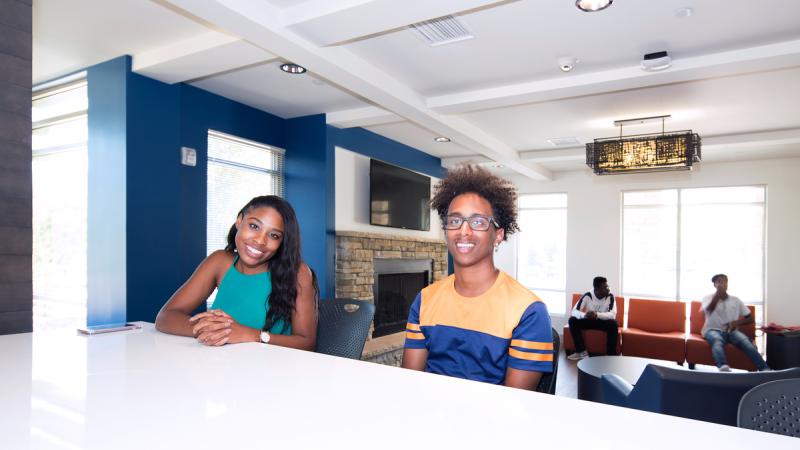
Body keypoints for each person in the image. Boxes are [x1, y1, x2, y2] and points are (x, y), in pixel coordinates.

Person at [401, 164, 553, 390]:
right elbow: (409, 383)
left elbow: (516, 405)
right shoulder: (425, 299)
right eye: (455, 221)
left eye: (478, 222)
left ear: (498, 235)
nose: (464, 231)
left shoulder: (527, 310)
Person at [155, 195, 318, 350]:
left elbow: (306, 342)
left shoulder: (298, 272)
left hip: (270, 369)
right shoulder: (219, 261)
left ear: (282, 242)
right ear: (239, 221)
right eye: (254, 226)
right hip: (221, 364)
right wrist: (213, 330)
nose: (260, 241)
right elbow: (165, 317)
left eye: (274, 235)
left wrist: (252, 335)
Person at [701, 274, 769, 372]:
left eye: (724, 281)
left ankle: (764, 369)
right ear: (714, 285)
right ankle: (723, 367)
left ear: (727, 284)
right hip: (712, 330)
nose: (722, 283)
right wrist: (717, 296)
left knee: (746, 342)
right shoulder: (707, 298)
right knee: (717, 340)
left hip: (731, 331)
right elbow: (708, 310)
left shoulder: (735, 300)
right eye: (719, 281)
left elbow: (750, 318)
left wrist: (737, 323)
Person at [566, 276, 618, 360]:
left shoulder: (610, 296)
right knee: (572, 320)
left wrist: (597, 314)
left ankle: (610, 355)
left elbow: (613, 314)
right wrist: (584, 315)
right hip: (589, 320)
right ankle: (581, 351)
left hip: (602, 321)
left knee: (613, 324)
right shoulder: (588, 295)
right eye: (605, 287)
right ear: (597, 289)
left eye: (607, 286)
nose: (608, 289)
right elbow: (574, 311)